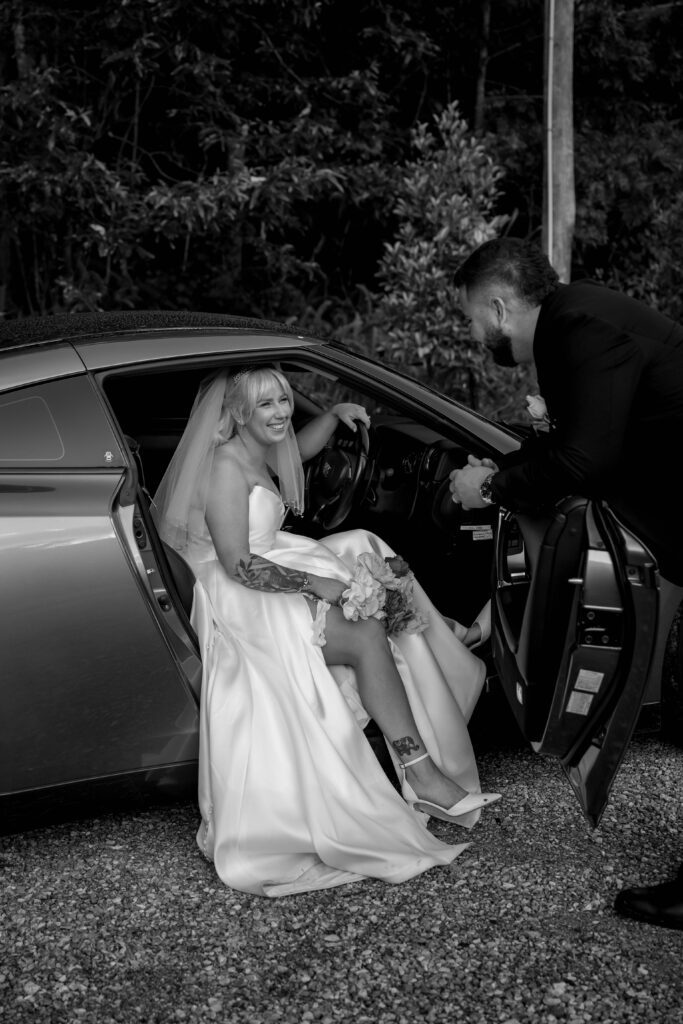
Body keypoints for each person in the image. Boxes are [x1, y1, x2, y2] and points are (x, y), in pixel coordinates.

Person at [151, 365, 500, 897]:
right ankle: (424, 773)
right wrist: (318, 584)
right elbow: (239, 564)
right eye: (266, 404)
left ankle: (427, 749)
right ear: (238, 413)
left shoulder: (259, 447)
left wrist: (333, 415)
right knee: (364, 631)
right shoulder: (224, 466)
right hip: (241, 592)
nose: (280, 413)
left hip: (271, 561)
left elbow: (299, 449)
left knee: (364, 549)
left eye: (284, 400)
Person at [448, 236, 683, 931]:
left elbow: (585, 458)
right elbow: (585, 439)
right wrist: (505, 469)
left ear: (498, 307)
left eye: (470, 318)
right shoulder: (575, 321)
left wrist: (489, 487)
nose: (474, 334)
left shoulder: (576, 327)